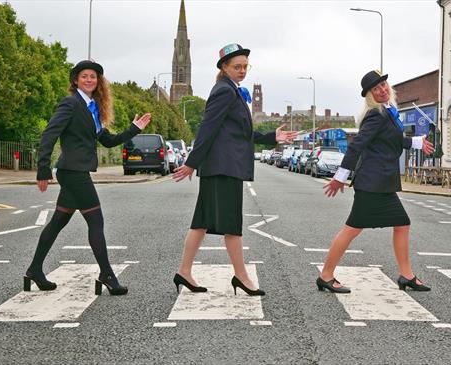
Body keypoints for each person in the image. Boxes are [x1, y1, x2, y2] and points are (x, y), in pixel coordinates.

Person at [173, 44, 297, 296]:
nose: (242, 71)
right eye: (236, 67)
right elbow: (208, 128)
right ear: (224, 68)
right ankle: (241, 276)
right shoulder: (224, 92)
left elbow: (240, 131)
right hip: (223, 168)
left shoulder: (231, 91)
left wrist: (272, 135)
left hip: (219, 167)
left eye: (245, 66)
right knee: (232, 225)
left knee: (202, 222)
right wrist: (191, 163)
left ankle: (184, 271)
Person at [24, 60, 151, 296]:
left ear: (98, 81)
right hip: (73, 173)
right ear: (75, 80)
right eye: (85, 76)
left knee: (58, 222)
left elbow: (107, 140)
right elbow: (49, 134)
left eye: (93, 76)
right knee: (96, 221)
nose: (90, 80)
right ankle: (107, 275)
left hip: (75, 171)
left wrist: (134, 128)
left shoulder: (92, 108)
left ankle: (34, 270)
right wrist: (42, 170)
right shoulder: (71, 104)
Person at [317, 70, 435, 294]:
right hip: (372, 184)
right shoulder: (376, 114)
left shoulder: (388, 113)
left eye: (384, 84)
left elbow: (392, 139)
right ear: (370, 95)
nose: (382, 89)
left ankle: (406, 275)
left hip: (381, 184)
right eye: (376, 88)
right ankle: (325, 275)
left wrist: (418, 143)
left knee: (402, 224)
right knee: (351, 229)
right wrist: (340, 177)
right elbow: (357, 145)